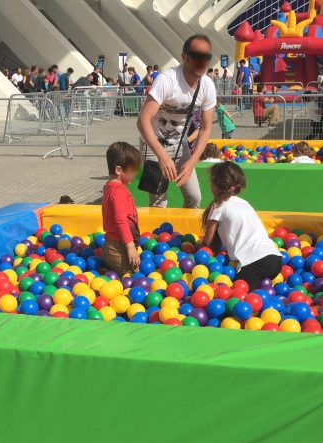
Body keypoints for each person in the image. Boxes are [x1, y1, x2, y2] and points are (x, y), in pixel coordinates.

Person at [137, 34, 216, 208]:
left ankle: (185, 235)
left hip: (181, 145)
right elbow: (143, 120)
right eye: (196, 56)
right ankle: (157, 235)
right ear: (184, 56)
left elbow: (205, 129)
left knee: (194, 197)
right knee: (159, 200)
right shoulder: (167, 80)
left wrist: (192, 162)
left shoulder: (207, 85)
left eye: (206, 57)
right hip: (154, 143)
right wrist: (161, 155)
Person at [202, 162, 282, 291]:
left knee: (236, 297)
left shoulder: (217, 206)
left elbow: (208, 241)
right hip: (275, 259)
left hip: (254, 262)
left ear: (215, 184)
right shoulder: (244, 203)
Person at [102, 142, 141, 276]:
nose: (135, 174)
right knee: (132, 276)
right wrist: (130, 247)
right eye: (133, 170)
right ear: (119, 170)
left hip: (111, 245)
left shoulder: (109, 187)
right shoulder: (119, 191)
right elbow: (120, 220)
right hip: (119, 248)